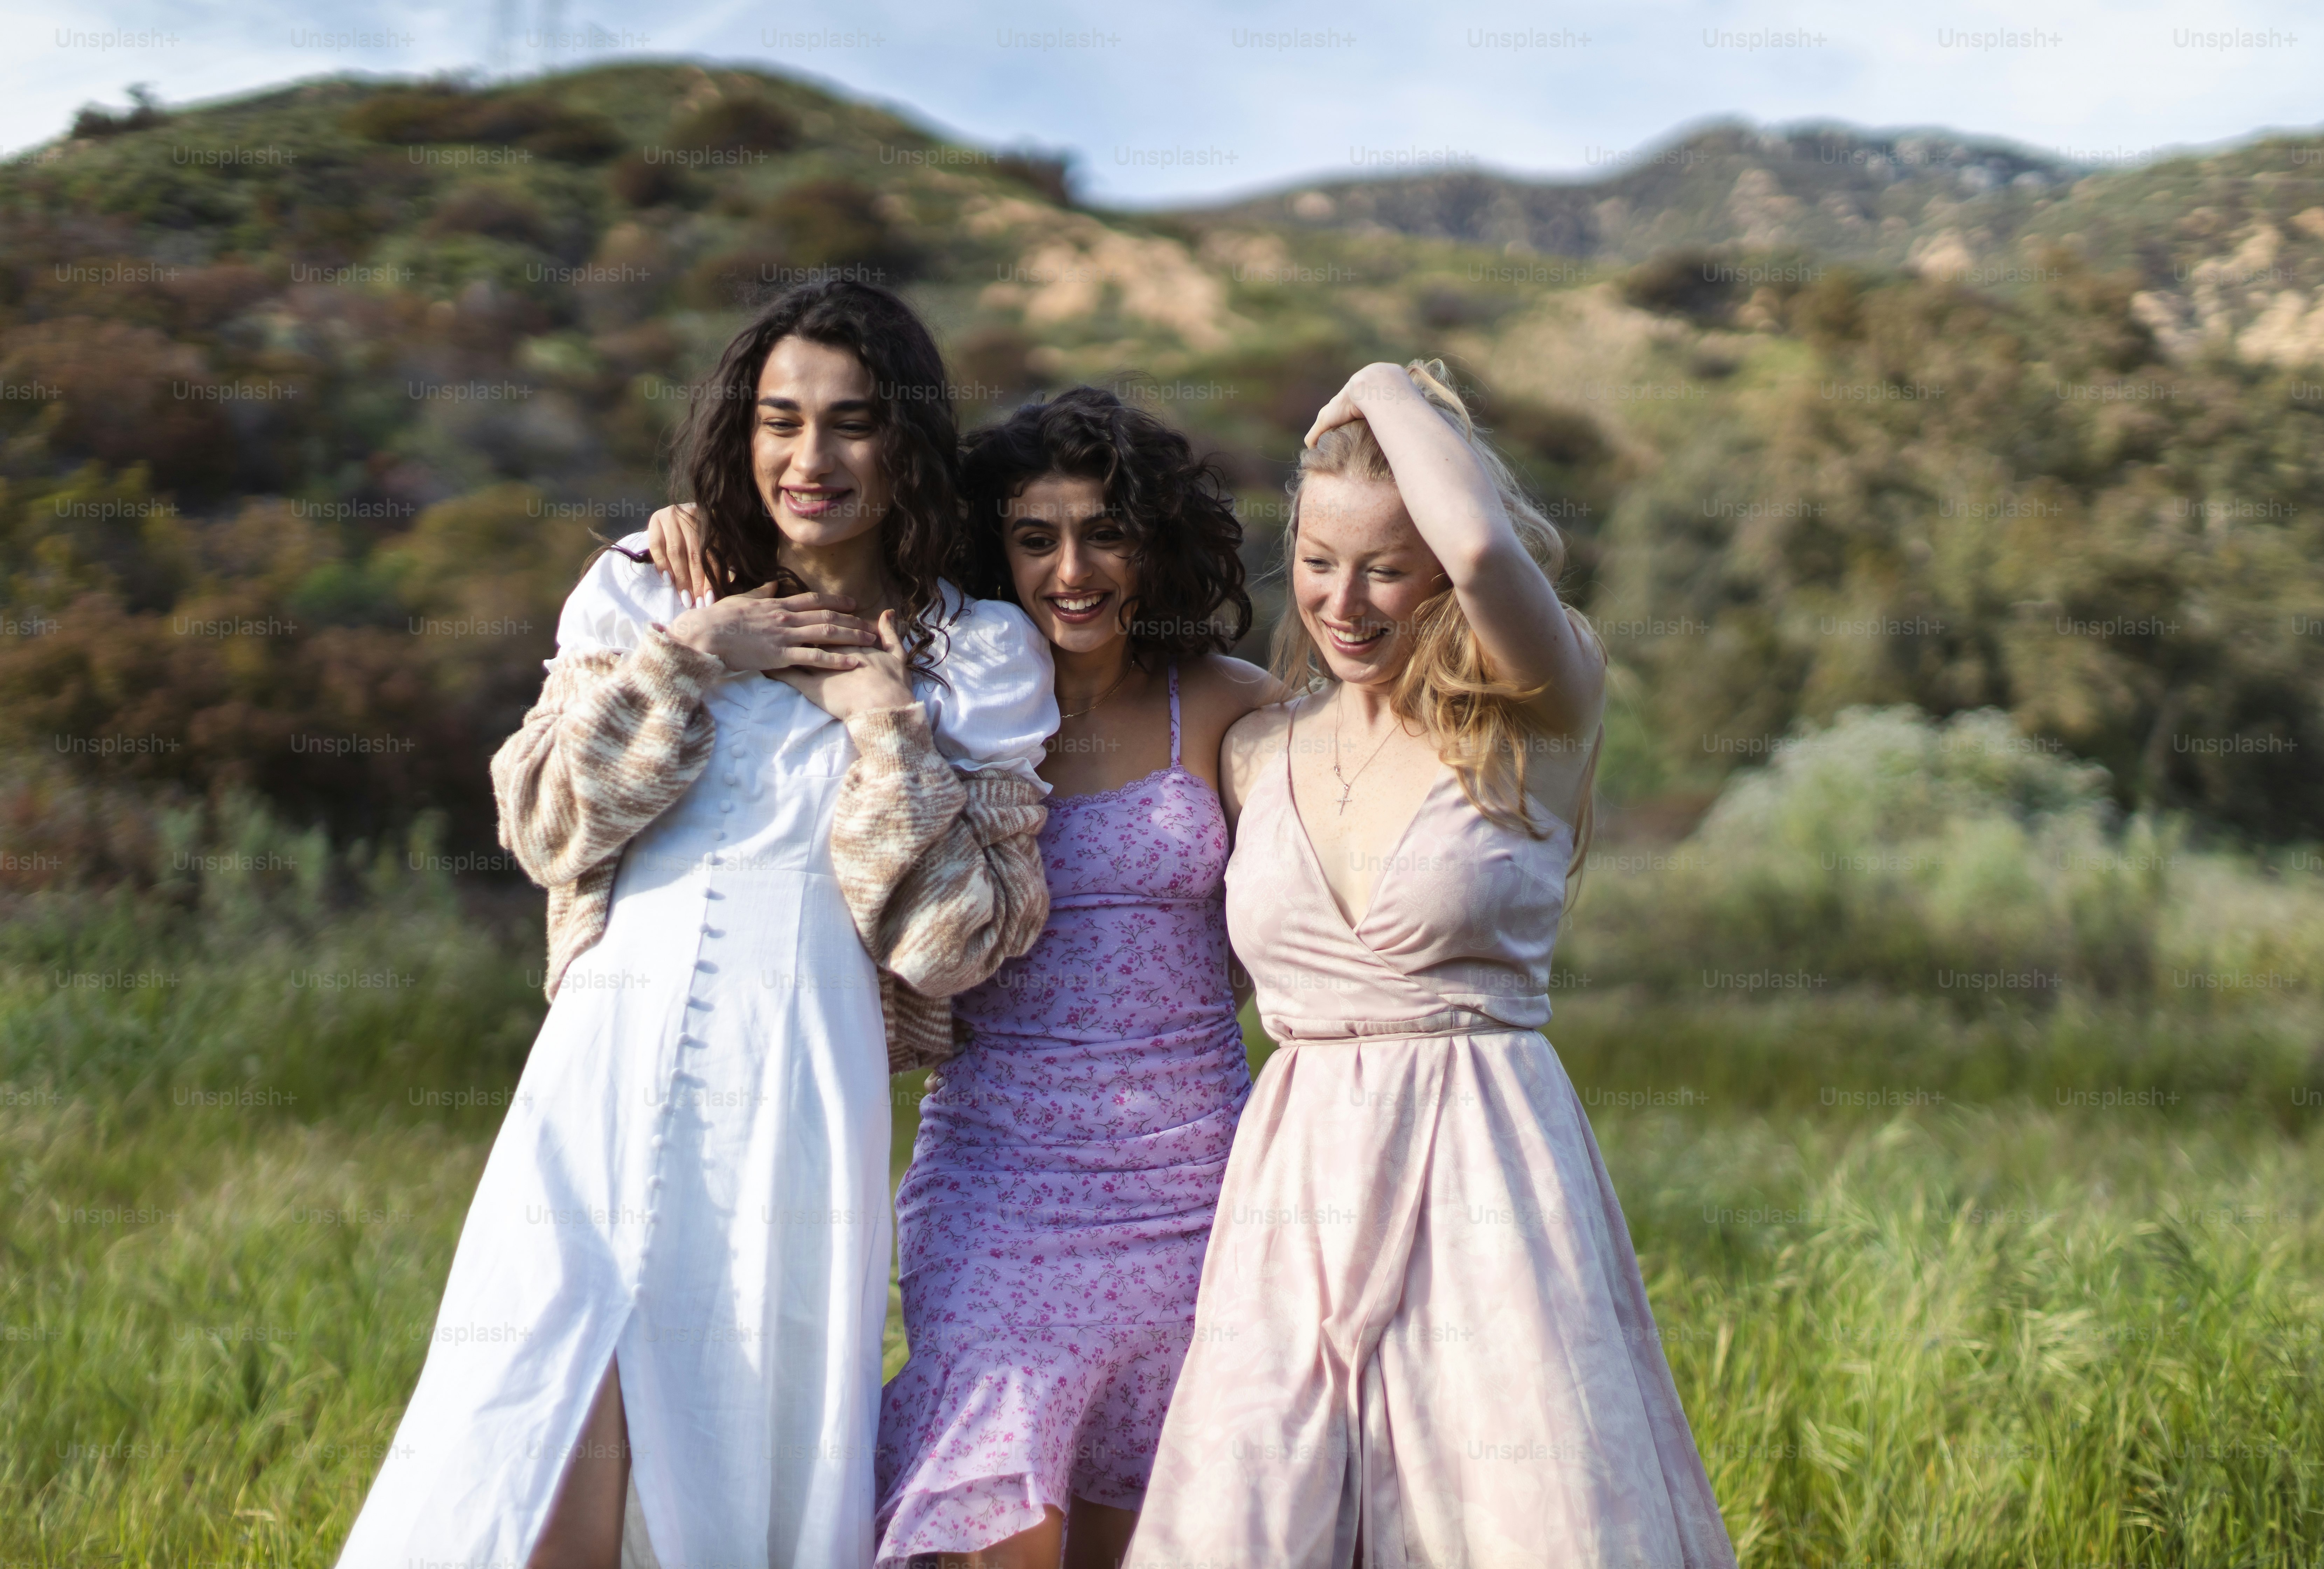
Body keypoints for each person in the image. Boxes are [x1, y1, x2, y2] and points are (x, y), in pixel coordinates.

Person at [334, 279, 1059, 1569]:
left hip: (801, 1083)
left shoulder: (974, 648)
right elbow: (552, 830)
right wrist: (695, 654)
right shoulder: (640, 588)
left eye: (852, 423)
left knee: (737, 1425)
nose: (810, 459)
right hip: (602, 1071)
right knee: (543, 1404)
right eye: (781, 421)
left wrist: (884, 721)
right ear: (741, 430)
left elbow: (955, 946)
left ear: (907, 443)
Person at [648, 385, 1285, 1569]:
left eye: (1105, 532)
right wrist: (692, 523)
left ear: (1155, 542)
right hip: (998, 1190)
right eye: (1035, 539)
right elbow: (802, 571)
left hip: (1198, 1191)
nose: (1073, 570)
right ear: (994, 549)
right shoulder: (952, 698)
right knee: (995, 1523)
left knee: (1153, 1542)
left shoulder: (1235, 707)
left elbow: (1301, 924)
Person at [1125, 361, 1740, 1568]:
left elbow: (1490, 558)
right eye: (1314, 561)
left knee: (1515, 1519)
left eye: (1386, 568)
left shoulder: (1536, 714)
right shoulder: (1252, 748)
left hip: (1487, 1177)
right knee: (1255, 1523)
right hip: (1293, 1191)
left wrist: (1380, 389)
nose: (1342, 604)